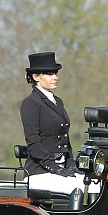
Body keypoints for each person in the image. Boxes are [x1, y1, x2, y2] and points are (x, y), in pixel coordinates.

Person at [19, 52, 84, 194]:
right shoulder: (31, 103)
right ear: (36, 76)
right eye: (49, 74)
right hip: (40, 173)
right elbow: (33, 143)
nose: (55, 77)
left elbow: (65, 138)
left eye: (55, 73)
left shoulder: (58, 101)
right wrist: (55, 168)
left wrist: (71, 164)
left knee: (95, 185)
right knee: (79, 188)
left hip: (61, 170)